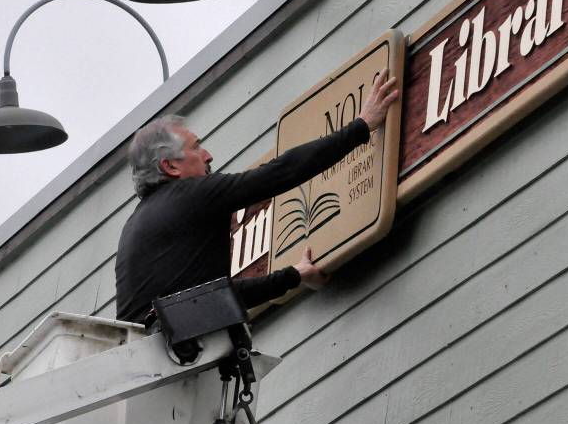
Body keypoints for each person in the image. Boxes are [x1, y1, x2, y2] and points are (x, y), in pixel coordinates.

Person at [115, 69, 399, 325]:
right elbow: (280, 172)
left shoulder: (132, 229)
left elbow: (214, 300)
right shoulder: (190, 195)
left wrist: (295, 275)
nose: (208, 156)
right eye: (196, 148)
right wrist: (361, 126)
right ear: (171, 166)